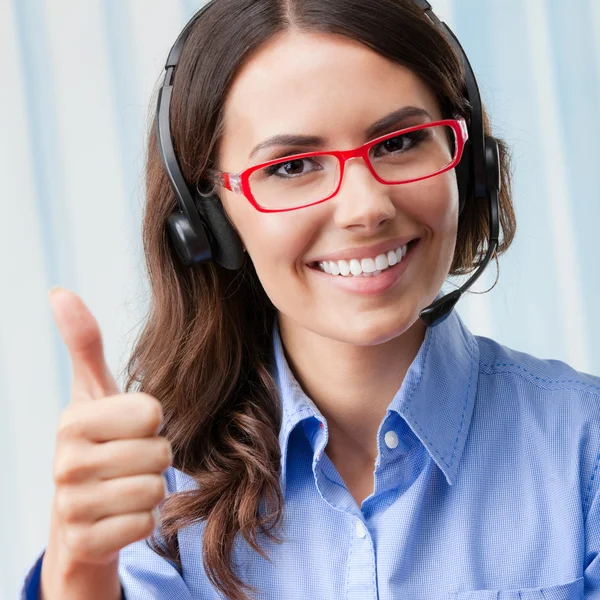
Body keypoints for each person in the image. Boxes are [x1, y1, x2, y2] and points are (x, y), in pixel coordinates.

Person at [21, 0, 600, 598]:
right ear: (208, 221)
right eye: (294, 166)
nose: (366, 208)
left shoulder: (586, 451)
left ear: (467, 160)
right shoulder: (152, 495)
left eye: (400, 143)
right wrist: (78, 574)